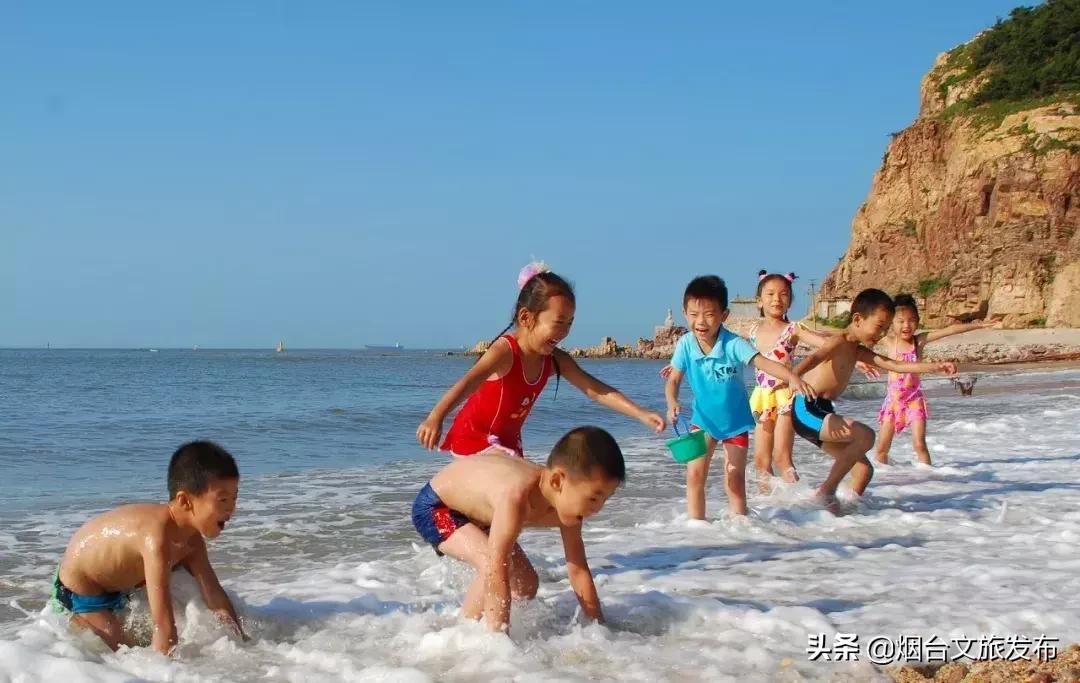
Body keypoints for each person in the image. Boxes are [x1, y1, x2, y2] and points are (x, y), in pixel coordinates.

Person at [417, 262, 664, 458]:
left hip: (507, 445)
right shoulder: (505, 351)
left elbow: (596, 391)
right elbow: (469, 382)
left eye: (569, 323)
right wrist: (436, 417)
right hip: (475, 439)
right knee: (524, 489)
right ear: (526, 318)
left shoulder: (554, 359)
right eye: (558, 323)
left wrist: (640, 413)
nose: (564, 331)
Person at [411, 426, 624, 631]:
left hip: (481, 513)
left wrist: (599, 627)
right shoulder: (516, 498)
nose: (597, 509)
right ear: (558, 481)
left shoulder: (569, 508)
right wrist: (501, 642)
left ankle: (482, 624)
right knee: (491, 564)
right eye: (593, 498)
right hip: (437, 507)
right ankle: (467, 634)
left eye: (605, 499)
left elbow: (577, 569)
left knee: (526, 585)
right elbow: (497, 568)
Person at [52, 441, 245, 653]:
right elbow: (163, 626)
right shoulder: (156, 538)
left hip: (120, 584)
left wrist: (240, 640)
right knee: (121, 653)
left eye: (234, 498)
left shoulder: (193, 541)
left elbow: (214, 595)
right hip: (81, 589)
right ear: (185, 501)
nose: (231, 509)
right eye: (223, 500)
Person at [791, 289, 957, 509]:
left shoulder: (857, 350)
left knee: (864, 471)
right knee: (866, 436)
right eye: (879, 327)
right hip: (806, 408)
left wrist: (935, 366)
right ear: (858, 319)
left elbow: (895, 365)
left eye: (886, 329)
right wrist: (793, 378)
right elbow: (814, 357)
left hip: (823, 411)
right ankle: (825, 492)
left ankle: (834, 514)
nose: (881, 335)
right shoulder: (838, 341)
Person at [664, 275, 815, 518]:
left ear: (724, 316)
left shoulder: (733, 344)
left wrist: (792, 378)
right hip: (702, 421)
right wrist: (672, 401)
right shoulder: (685, 345)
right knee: (694, 476)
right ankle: (695, 529)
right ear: (684, 313)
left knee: (734, 479)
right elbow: (673, 380)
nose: (700, 322)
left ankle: (742, 526)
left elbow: (763, 362)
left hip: (735, 424)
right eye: (693, 315)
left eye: (709, 315)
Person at [874, 293, 996, 465]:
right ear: (891, 323)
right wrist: (859, 362)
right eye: (901, 321)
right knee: (881, 449)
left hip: (914, 400)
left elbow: (951, 330)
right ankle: (884, 479)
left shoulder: (919, 342)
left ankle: (929, 480)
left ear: (917, 321)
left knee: (919, 444)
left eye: (912, 320)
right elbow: (861, 338)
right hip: (892, 402)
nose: (906, 325)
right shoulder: (888, 341)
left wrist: (980, 325)